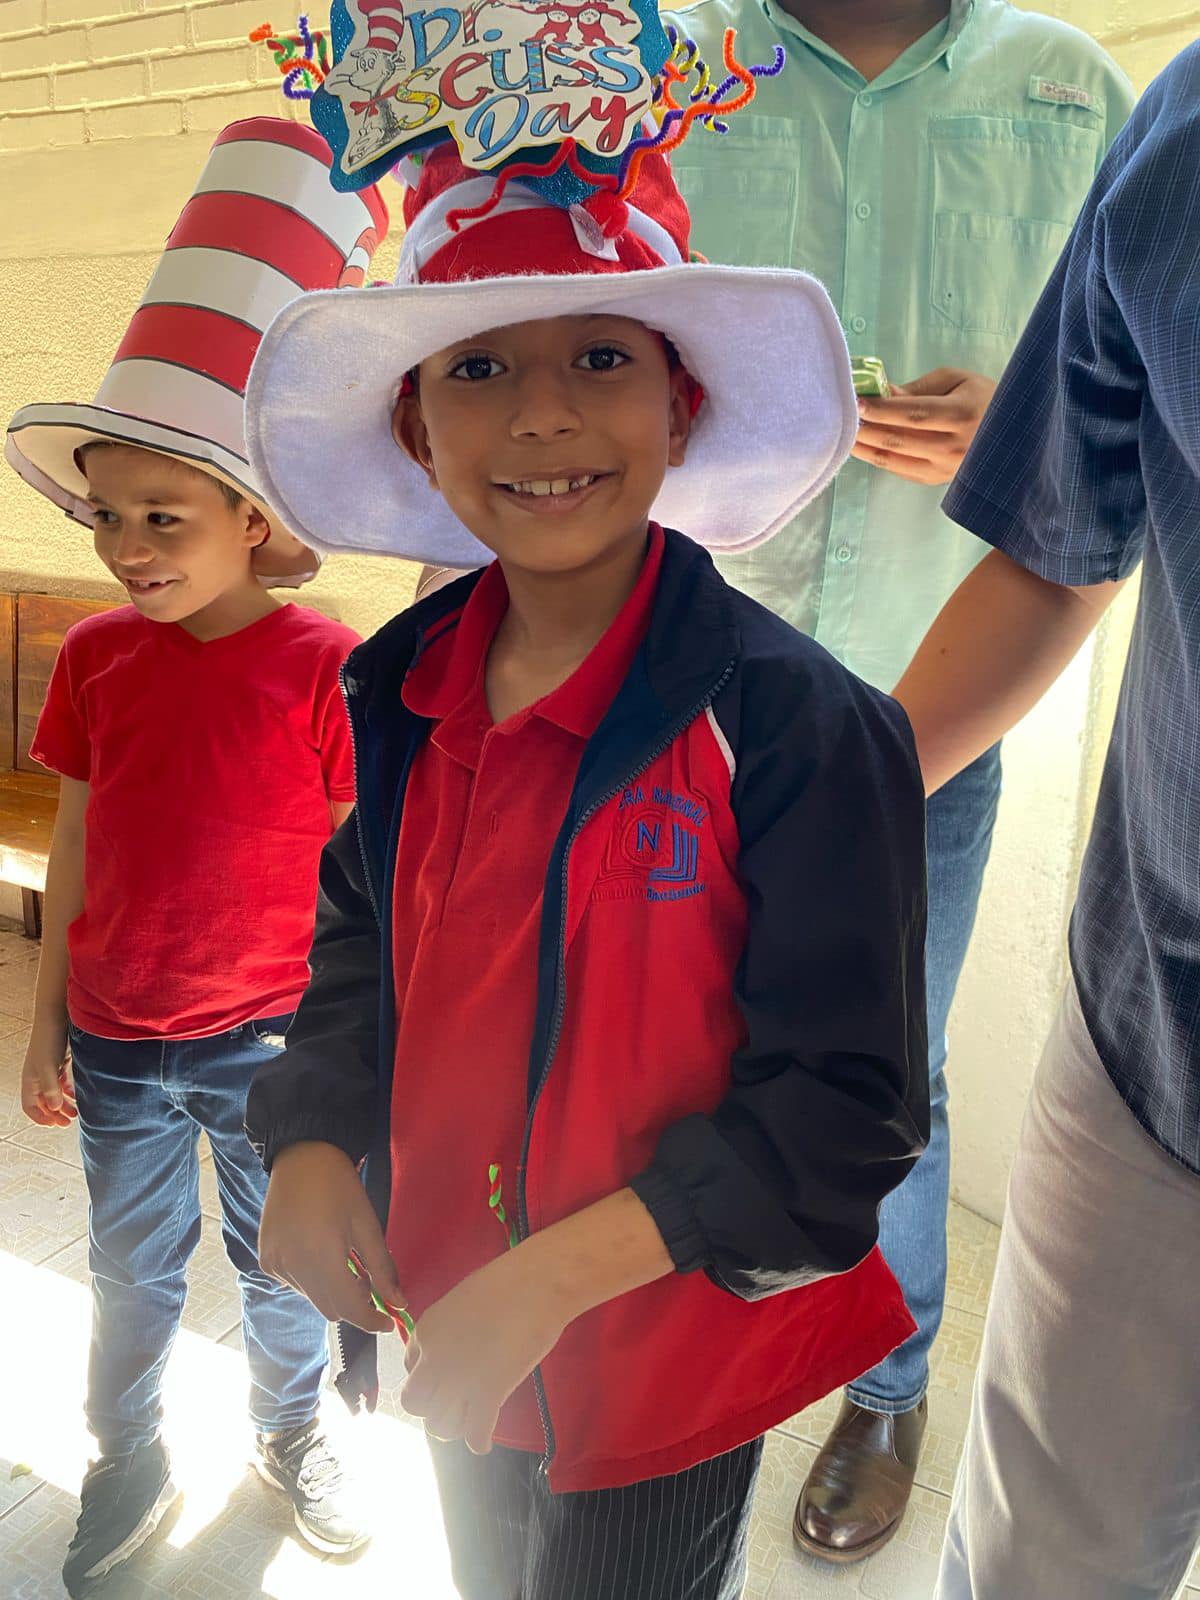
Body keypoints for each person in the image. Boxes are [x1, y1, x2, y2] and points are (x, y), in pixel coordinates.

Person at [241, 25, 930, 1595]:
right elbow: (362, 940)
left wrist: (550, 1283)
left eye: (601, 356)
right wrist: (313, 1131)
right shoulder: (400, 686)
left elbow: (845, 1113)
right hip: (444, 1300)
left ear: (681, 410)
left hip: (656, 1354)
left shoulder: (800, 727)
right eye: (480, 367)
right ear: (417, 428)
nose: (541, 415)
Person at [647, 0, 1136, 1559]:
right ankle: (674, 1342)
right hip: (674, 685)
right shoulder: (666, 71)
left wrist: (1026, 433)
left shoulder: (1074, 91)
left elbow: (1132, 410)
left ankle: (886, 1380)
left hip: (928, 702)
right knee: (656, 1035)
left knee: (887, 1070)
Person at [4, 117, 389, 1597]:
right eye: (107, 517)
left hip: (271, 1042)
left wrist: (356, 1055)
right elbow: (81, 835)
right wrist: (46, 1015)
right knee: (129, 1272)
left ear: (251, 517)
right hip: (116, 1039)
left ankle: (291, 1437)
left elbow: (357, 876)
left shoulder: (322, 664)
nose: (126, 547)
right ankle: (127, 1455)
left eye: (162, 517)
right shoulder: (99, 657)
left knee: (285, 1266)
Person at [882, 41, 1200, 1599]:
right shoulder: (1182, 122)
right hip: (1154, 1020)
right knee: (1033, 1563)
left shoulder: (1061, 79)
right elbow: (1057, 545)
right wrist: (808, 820)